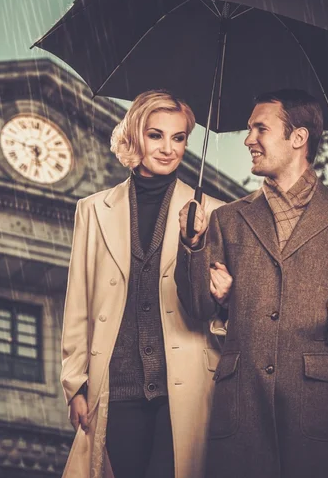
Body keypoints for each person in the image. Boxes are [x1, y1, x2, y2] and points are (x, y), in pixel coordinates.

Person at [175, 89, 328, 478]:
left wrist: (322, 314)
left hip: (315, 409)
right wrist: (194, 246)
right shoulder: (227, 218)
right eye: (248, 130)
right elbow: (196, 306)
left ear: (298, 137)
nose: (248, 140)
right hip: (241, 407)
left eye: (260, 128)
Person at [60, 89, 229, 478]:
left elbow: (218, 309)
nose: (168, 148)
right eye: (156, 135)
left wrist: (198, 246)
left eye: (179, 137)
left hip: (186, 383)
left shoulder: (215, 213)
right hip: (116, 383)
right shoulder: (92, 210)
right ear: (135, 135)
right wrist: (76, 384)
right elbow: (79, 303)